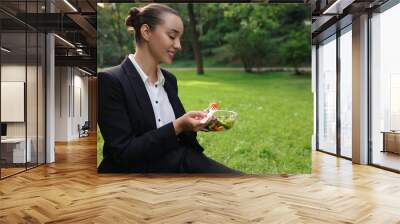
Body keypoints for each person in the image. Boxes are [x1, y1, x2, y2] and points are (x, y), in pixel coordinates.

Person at [97, 3, 241, 174]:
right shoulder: (110, 81)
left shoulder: (169, 80)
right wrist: (178, 125)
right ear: (146, 32)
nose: (178, 45)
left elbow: (179, 138)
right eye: (172, 36)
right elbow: (123, 153)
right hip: (135, 176)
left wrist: (202, 122)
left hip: (178, 163)